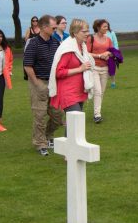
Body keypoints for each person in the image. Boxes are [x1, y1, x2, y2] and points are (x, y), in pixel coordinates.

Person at [23, 14, 61, 156]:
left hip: (53, 83)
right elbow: (27, 65)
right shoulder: (33, 43)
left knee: (57, 115)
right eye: (53, 27)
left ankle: (47, 135)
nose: (55, 29)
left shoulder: (55, 43)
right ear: (44, 27)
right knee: (40, 115)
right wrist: (37, 83)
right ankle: (40, 144)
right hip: (38, 82)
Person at [50, 19, 93, 113]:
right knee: (75, 123)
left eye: (88, 31)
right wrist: (80, 69)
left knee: (74, 125)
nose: (87, 33)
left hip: (79, 90)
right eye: (84, 31)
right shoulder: (68, 48)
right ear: (75, 32)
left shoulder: (82, 46)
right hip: (68, 92)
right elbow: (58, 72)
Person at [87, 19, 115, 124]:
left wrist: (108, 53)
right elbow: (87, 53)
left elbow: (113, 52)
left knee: (101, 92)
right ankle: (97, 115)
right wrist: (99, 55)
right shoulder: (91, 38)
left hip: (105, 69)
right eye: (104, 27)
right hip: (94, 68)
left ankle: (97, 112)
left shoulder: (108, 39)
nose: (106, 28)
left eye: (107, 26)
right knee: (97, 91)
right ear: (98, 27)